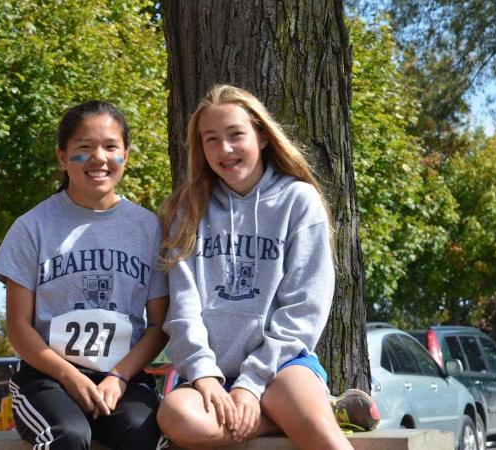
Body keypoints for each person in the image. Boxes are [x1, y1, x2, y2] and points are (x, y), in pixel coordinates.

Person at [157, 85, 377, 450]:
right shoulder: (187, 209)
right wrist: (205, 375)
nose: (224, 149)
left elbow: (305, 307)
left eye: (235, 135)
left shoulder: (298, 201)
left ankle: (302, 409)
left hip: (282, 367)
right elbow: (182, 308)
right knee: (177, 418)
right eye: (211, 139)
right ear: (200, 148)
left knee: (322, 436)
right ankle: (276, 419)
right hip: (214, 376)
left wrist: (251, 383)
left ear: (261, 136)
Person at [0, 100, 169, 450]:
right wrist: (69, 375)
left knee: (141, 431)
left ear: (126, 156)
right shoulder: (32, 228)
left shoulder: (149, 229)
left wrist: (118, 377)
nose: (98, 158)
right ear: (62, 157)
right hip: (48, 380)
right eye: (84, 148)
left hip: (123, 378)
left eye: (110, 147)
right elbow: (18, 327)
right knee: (69, 437)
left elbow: (158, 326)